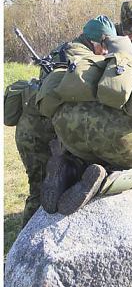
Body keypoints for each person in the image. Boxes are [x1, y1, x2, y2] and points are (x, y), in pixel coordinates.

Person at [38, 34, 132, 216]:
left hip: (70, 136)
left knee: (85, 154)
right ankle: (105, 182)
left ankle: (68, 168)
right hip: (120, 139)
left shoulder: (85, 64)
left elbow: (49, 105)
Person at [11, 15, 117, 226]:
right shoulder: (78, 56)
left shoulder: (68, 48)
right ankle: (24, 250)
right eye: (105, 46)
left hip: (48, 124)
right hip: (36, 132)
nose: (106, 51)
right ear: (96, 41)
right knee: (40, 188)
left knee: (57, 180)